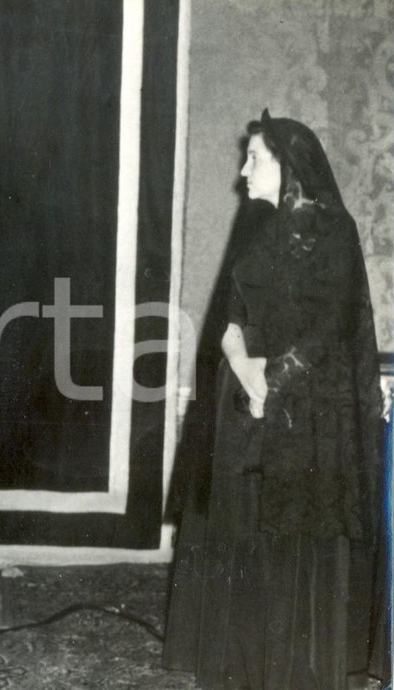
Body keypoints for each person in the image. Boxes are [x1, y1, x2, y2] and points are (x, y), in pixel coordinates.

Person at [163, 110, 384, 688]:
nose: (243, 170)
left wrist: (273, 383)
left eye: (254, 158)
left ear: (290, 167)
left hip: (306, 415)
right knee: (244, 542)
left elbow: (331, 324)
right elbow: (230, 318)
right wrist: (243, 367)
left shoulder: (336, 231)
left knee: (294, 550)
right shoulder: (256, 227)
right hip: (246, 407)